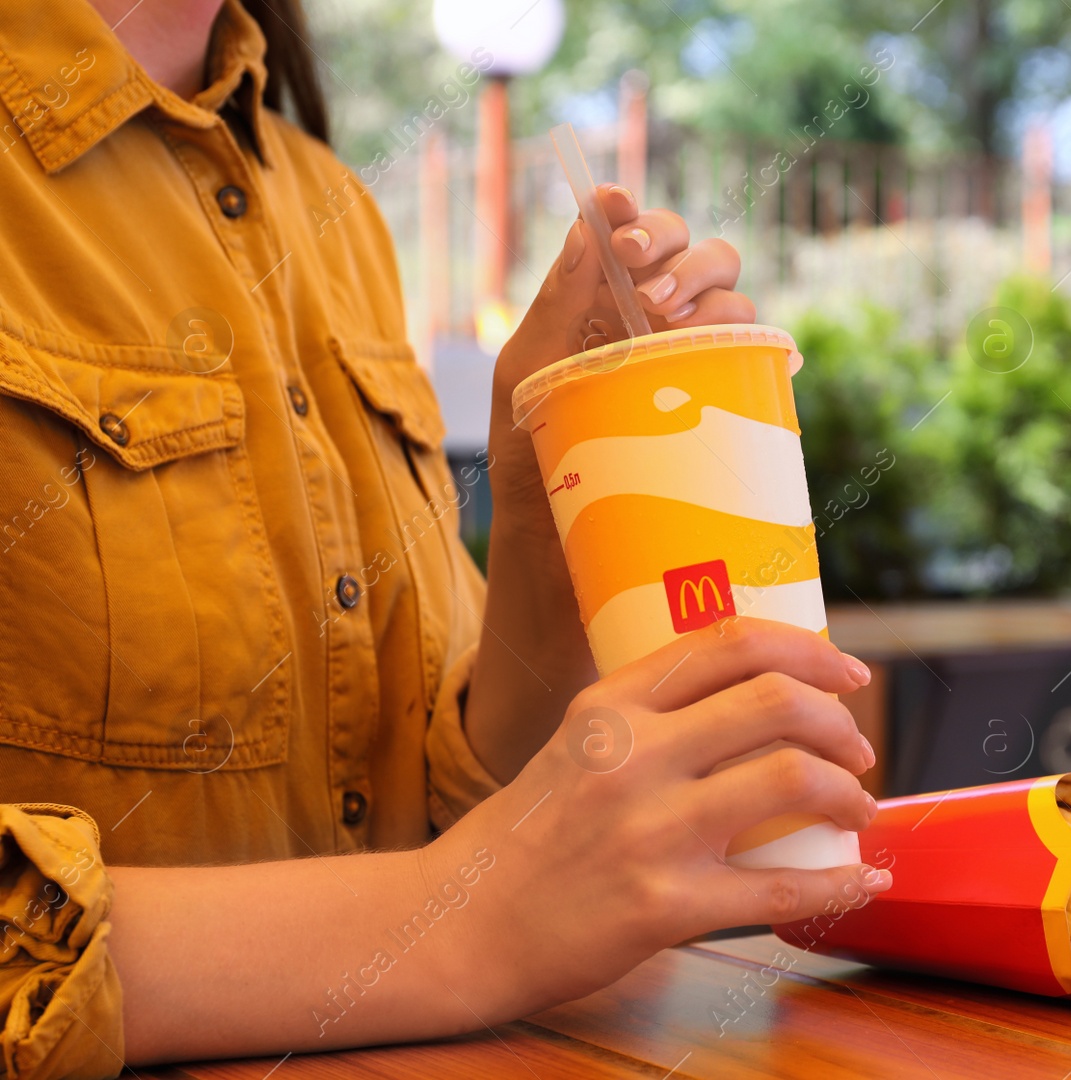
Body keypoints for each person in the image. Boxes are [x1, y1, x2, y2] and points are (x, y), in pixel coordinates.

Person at [0, 1, 889, 1076]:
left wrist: (545, 504)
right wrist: (464, 923)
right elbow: (467, 886)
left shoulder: (332, 207)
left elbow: (442, 807)